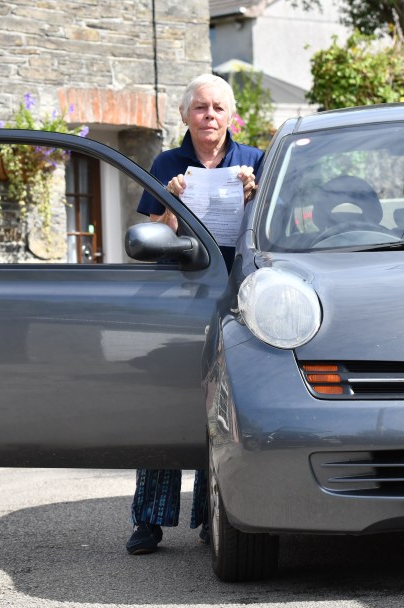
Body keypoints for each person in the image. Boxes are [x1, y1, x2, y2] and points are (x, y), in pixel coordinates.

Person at [127, 73, 264, 555]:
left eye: (218, 108)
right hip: (179, 295)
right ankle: (148, 520)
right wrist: (171, 204)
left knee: (222, 408)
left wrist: (255, 199)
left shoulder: (255, 161)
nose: (210, 116)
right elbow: (148, 234)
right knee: (165, 402)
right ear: (186, 115)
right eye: (201, 107)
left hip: (234, 294)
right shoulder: (168, 161)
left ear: (231, 115)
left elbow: (274, 232)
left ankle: (213, 516)